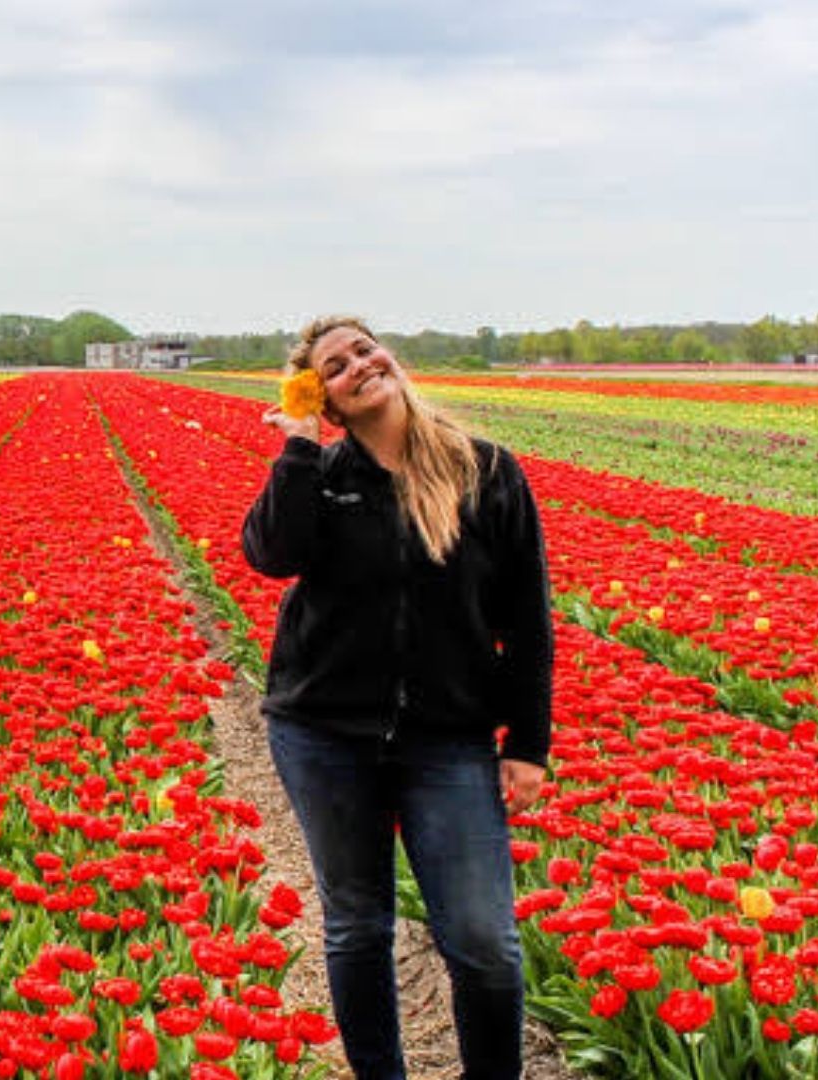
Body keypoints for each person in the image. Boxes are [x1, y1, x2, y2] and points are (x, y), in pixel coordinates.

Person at [241, 316, 553, 1080]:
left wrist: (527, 744)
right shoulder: (323, 475)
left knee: (483, 938)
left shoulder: (485, 470)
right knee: (357, 925)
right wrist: (299, 443)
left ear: (390, 357)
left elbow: (527, 616)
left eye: (364, 350)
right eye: (335, 367)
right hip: (323, 731)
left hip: (446, 737)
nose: (360, 365)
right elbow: (269, 554)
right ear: (326, 397)